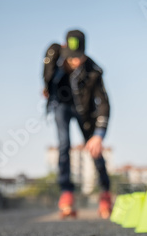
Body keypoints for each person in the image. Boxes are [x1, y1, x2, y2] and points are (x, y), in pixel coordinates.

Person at [43, 29, 112, 218]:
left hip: (85, 111)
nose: (74, 61)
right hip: (61, 105)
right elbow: (46, 74)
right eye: (71, 57)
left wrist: (99, 134)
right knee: (64, 144)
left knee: (94, 149)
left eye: (78, 57)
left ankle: (106, 193)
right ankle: (67, 193)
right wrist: (47, 85)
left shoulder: (94, 71)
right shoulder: (55, 55)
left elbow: (104, 103)